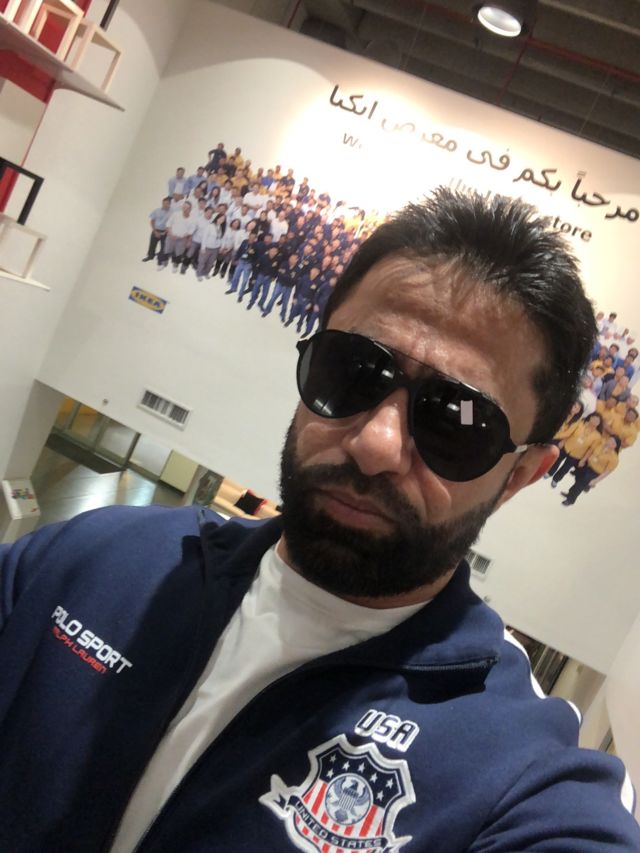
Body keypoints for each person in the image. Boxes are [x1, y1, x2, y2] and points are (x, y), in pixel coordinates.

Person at [1, 190, 639, 852]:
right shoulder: (96, 557)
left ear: (520, 475)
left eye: (455, 422)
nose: (376, 445)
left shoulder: (521, 773)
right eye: (353, 372)